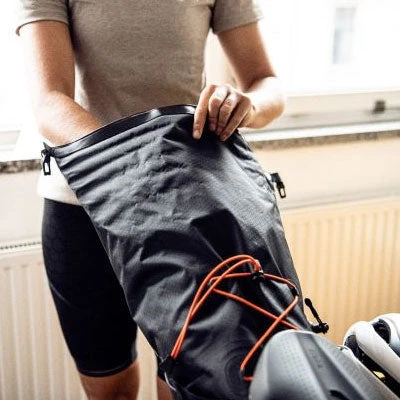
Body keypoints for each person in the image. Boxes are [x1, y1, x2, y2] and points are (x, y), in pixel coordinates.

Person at [16, 1, 286, 399]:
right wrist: (140, 163)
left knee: (185, 386)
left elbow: (266, 82)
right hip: (84, 210)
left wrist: (247, 104)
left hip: (187, 207)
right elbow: (50, 100)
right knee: (111, 390)